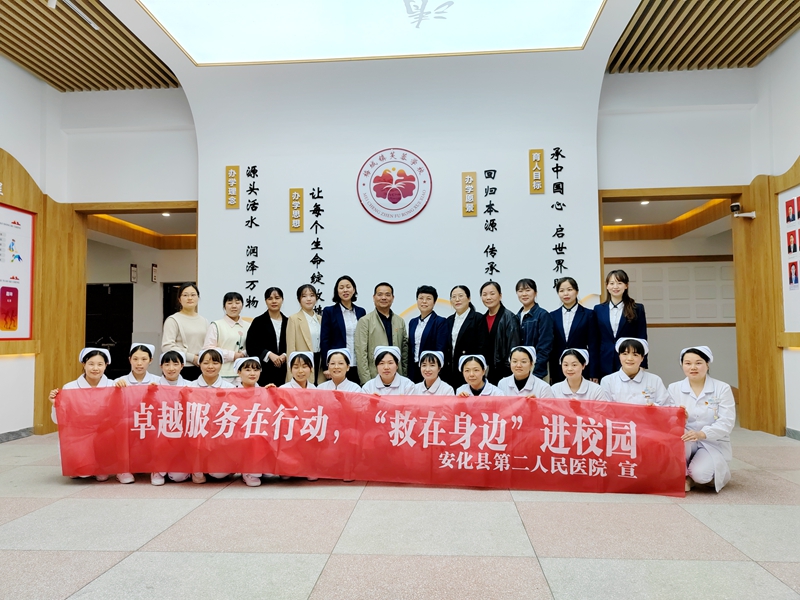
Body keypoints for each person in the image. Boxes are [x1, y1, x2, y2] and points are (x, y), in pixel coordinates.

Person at [668, 346, 736, 492]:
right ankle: (684, 475)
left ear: (707, 364)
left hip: (712, 442)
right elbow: (668, 420)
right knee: (679, 438)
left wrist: (702, 434)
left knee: (701, 476)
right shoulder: (674, 388)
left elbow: (727, 422)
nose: (693, 367)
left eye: (698, 363)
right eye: (687, 363)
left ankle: (701, 475)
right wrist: (681, 419)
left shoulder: (722, 388)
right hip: (686, 440)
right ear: (682, 365)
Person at [48, 348, 118, 483]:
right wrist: (56, 404)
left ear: (106, 365)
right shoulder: (70, 388)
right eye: (91, 364)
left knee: (101, 473)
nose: (95, 368)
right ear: (84, 364)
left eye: (100, 364)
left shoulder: (113, 385)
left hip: (103, 433)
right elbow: (58, 420)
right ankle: (81, 464)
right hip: (78, 435)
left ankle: (102, 466)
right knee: (82, 473)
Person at [188, 349, 233, 483]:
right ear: (199, 364)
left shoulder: (230, 388)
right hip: (196, 437)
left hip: (219, 436)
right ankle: (196, 468)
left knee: (219, 474)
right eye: (206, 363)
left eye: (215, 362)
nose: (210, 366)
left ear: (221, 364)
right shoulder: (189, 387)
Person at [593, 270, 648, 380]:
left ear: (626, 285)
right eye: (612, 283)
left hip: (629, 360)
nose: (615, 287)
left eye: (619, 283)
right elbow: (595, 341)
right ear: (607, 286)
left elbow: (642, 337)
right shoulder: (598, 309)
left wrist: (642, 363)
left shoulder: (637, 308)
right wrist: (594, 370)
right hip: (604, 360)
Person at [354, 282, 409, 384]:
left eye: (387, 295)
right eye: (380, 294)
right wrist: (367, 382)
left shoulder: (400, 321)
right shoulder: (365, 321)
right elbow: (361, 354)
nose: (384, 298)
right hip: (374, 377)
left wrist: (403, 376)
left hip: (397, 378)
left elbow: (404, 352)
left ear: (393, 298)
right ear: (374, 297)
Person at [549, 277, 596, 384]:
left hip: (582, 366)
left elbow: (593, 345)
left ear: (577, 291)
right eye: (561, 291)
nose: (566, 293)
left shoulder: (588, 314)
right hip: (560, 368)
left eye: (569, 290)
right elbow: (552, 347)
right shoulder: (552, 316)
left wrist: (593, 372)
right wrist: (552, 373)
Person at [320, 276, 366, 384]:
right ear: (337, 291)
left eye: (348, 287)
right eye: (341, 288)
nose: (345, 290)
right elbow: (325, 340)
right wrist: (326, 366)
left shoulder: (361, 312)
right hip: (338, 365)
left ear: (354, 290)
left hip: (357, 364)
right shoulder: (329, 312)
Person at [600, 338, 671, 406]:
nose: (629, 358)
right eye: (625, 354)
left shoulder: (655, 380)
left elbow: (666, 406)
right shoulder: (608, 381)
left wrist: (654, 407)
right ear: (619, 356)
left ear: (642, 358)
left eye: (635, 355)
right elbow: (604, 409)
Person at [161, 283, 209, 381]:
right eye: (185, 295)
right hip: (182, 367)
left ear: (198, 298)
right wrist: (192, 358)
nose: (189, 298)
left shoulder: (204, 320)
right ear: (179, 299)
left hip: (202, 367)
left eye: (193, 295)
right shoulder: (173, 320)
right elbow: (167, 346)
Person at [245, 287, 289, 387]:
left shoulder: (289, 322)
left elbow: (294, 343)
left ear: (282, 300)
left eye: (277, 298)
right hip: (264, 370)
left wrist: (285, 355)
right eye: (270, 298)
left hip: (285, 370)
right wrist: (269, 354)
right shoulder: (258, 322)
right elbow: (251, 345)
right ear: (265, 301)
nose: (274, 301)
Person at [203, 292, 250, 383]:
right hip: (222, 374)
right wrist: (232, 355)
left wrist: (244, 353)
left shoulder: (249, 326)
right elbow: (208, 349)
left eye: (237, 302)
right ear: (224, 307)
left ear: (242, 305)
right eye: (229, 303)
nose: (234, 306)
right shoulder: (216, 325)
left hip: (244, 374)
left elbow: (254, 346)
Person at [479, 281, 521, 384]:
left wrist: (509, 371)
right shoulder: (482, 319)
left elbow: (513, 347)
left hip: (504, 372)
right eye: (484, 294)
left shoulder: (509, 318)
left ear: (500, 296)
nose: (488, 297)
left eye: (492, 294)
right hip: (486, 372)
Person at [445, 285, 486, 389]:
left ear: (469, 298)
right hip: (451, 370)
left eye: (460, 296)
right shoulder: (449, 320)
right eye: (454, 297)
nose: (457, 299)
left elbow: (482, 346)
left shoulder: (478, 318)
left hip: (470, 371)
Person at [408, 285, 449, 383]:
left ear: (434, 302)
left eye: (428, 299)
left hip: (430, 369)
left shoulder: (440, 322)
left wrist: (433, 367)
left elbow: (440, 348)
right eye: (421, 298)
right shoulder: (412, 322)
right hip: (414, 368)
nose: (424, 301)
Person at [285, 284, 325, 385]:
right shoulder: (294, 319)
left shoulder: (321, 319)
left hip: (319, 362)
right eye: (304, 296)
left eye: (312, 295)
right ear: (299, 299)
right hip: (302, 363)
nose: (308, 299)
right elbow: (290, 349)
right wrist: (291, 375)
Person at [515, 279, 553, 379]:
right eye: (520, 291)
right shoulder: (516, 317)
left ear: (535, 292)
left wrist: (536, 371)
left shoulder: (542, 315)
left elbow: (545, 346)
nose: (524, 294)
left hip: (536, 369)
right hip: (518, 369)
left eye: (528, 290)